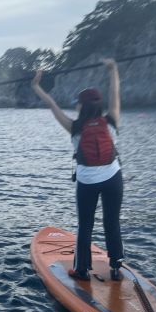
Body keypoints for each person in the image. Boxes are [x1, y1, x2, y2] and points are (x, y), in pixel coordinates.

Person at [31, 59, 124, 281]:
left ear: (81, 106)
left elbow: (52, 104)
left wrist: (36, 85)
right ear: (99, 105)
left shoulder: (74, 127)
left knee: (85, 225)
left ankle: (81, 270)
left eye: (78, 104)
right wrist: (113, 70)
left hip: (87, 181)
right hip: (113, 177)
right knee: (112, 221)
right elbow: (115, 93)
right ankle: (116, 266)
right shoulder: (111, 120)